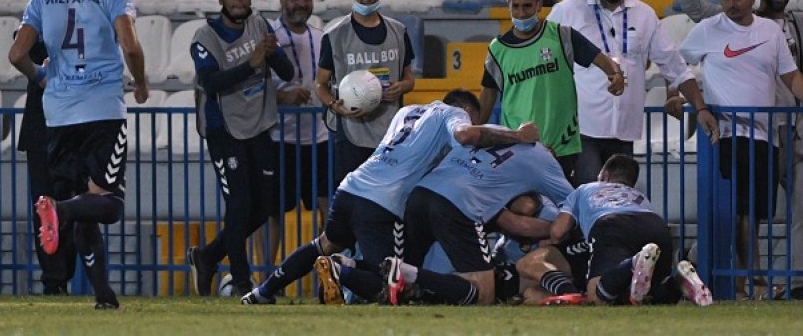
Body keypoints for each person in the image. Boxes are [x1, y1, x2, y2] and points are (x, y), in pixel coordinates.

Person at [240, 89, 539, 305]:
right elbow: (464, 136)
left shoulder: (406, 111)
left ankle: (262, 292)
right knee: (394, 285)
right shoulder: (455, 115)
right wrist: (516, 136)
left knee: (323, 242)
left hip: (351, 187)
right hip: (381, 205)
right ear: (468, 114)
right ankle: (339, 270)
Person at [8, 0, 149, 309]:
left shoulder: (42, 0)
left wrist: (40, 76)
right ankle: (58, 211)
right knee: (109, 204)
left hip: (58, 114)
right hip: (102, 110)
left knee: (87, 202)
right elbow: (131, 46)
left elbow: (17, 55)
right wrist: (140, 82)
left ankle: (104, 296)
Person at [680, 0, 803, 299]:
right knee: (736, 211)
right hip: (731, 130)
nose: (733, 4)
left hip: (775, 131)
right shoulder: (711, 26)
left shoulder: (778, 29)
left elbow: (791, 75)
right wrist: (695, 104)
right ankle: (742, 278)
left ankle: (743, 278)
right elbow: (677, 66)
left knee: (754, 213)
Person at [548, 0, 718, 185]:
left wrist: (700, 107)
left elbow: (675, 66)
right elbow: (543, 55)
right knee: (591, 200)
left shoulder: (644, 15)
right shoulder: (567, 11)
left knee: (619, 204)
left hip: (625, 130)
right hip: (581, 130)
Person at [186, 0, 295, 297]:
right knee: (239, 204)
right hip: (223, 129)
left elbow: (287, 73)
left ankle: (207, 256)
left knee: (263, 207)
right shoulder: (205, 37)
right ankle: (241, 282)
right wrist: (252, 62)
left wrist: (273, 53)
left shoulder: (260, 26)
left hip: (259, 125)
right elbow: (211, 83)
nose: (240, 0)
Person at [384, 136, 575, 305]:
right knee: (483, 293)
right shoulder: (539, 168)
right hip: (458, 205)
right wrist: (557, 229)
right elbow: (517, 221)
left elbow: (524, 210)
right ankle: (409, 274)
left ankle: (376, 274)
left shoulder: (500, 140)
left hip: (422, 194)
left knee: (424, 270)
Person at [480, 0, 625, 185]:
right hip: (518, 148)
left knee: (565, 209)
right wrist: (475, 133)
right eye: (516, 7)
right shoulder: (497, 49)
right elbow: (487, 96)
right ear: (508, 6)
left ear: (539, 5)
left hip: (562, 146)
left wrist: (616, 75)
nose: (521, 13)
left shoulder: (562, 36)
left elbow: (605, 61)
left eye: (527, 6)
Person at [548, 154, 712, 306]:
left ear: (604, 176)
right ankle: (678, 281)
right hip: (656, 226)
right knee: (651, 296)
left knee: (596, 295)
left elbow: (557, 233)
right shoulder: (639, 196)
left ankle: (634, 263)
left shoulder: (585, 189)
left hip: (612, 224)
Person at [314, 0, 416, 188]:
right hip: (350, 135)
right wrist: (333, 105)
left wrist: (404, 86)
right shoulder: (335, 35)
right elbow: (320, 84)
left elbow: (410, 77)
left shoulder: (398, 31)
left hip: (391, 133)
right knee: (351, 204)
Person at [255, 0, 330, 267]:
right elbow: (253, 88)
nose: (301, 4)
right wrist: (282, 98)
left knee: (329, 209)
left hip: (319, 138)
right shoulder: (268, 41)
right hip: (279, 139)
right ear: (282, 0)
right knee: (271, 211)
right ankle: (265, 276)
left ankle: (330, 275)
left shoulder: (322, 37)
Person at [15, 0, 76, 296]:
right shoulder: (31, 29)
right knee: (44, 207)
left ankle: (66, 272)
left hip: (73, 129)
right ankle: (54, 282)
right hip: (41, 133)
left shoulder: (78, 29)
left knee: (73, 206)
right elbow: (24, 53)